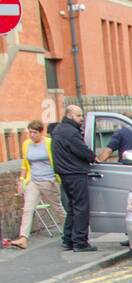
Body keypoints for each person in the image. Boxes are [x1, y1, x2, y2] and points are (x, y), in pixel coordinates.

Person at [50, 105, 97, 252]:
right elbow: (83, 151)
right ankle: (80, 242)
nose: (81, 119)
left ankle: (68, 239)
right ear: (69, 115)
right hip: (75, 173)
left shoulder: (58, 130)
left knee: (72, 207)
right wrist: (93, 157)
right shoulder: (71, 132)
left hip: (64, 174)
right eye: (79, 116)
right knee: (81, 208)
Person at [12, 120, 65, 249]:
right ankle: (23, 238)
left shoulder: (49, 143)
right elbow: (25, 163)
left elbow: (57, 160)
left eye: (34, 132)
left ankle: (71, 231)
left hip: (49, 181)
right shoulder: (26, 144)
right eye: (29, 132)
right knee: (28, 209)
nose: (31, 135)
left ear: (41, 132)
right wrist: (21, 179)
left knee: (58, 209)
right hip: (33, 181)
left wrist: (55, 178)